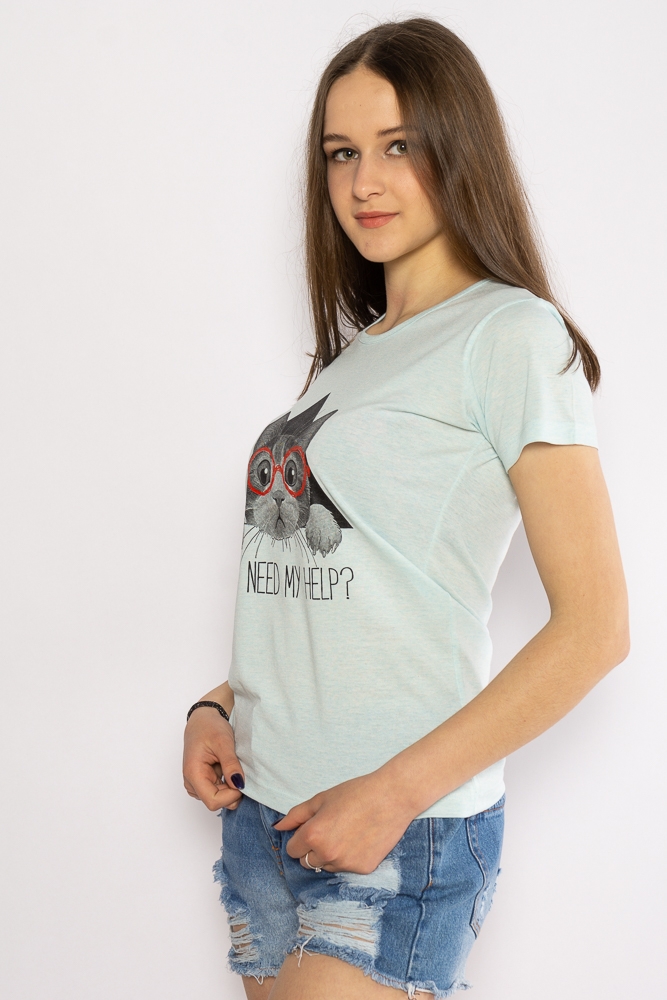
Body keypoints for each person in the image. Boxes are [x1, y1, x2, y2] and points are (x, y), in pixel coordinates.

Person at [182, 17, 629, 1000]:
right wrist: (220, 703)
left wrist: (391, 794)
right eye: (341, 153)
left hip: (394, 832)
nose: (363, 183)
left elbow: (595, 628)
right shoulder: (355, 358)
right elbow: (349, 586)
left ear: (457, 147)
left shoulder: (510, 334)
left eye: (397, 146)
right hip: (265, 815)